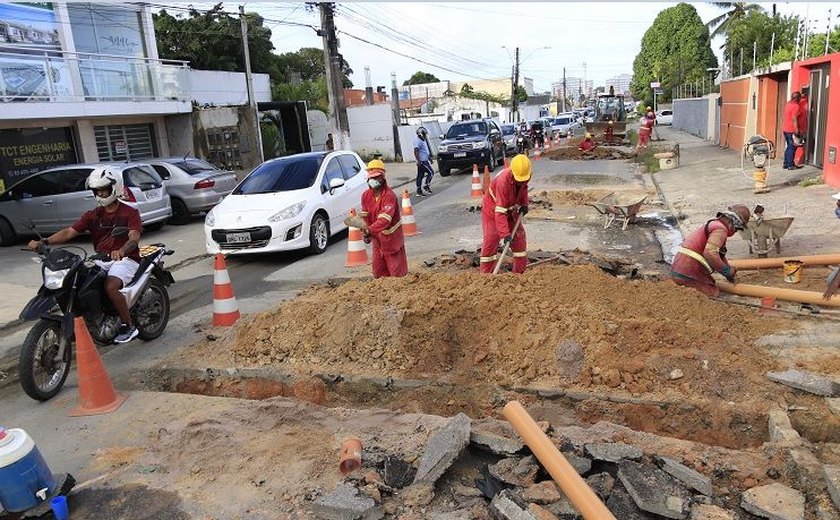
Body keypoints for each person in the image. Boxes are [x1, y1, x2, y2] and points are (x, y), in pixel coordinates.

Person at [27, 167, 143, 343]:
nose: (101, 193)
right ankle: (94, 316)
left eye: (104, 189)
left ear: (115, 188)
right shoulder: (93, 215)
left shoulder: (130, 212)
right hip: (101, 258)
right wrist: (45, 242)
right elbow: (69, 232)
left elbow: (134, 237)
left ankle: (129, 326)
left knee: (111, 286)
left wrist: (122, 250)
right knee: (80, 281)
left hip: (126, 259)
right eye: (97, 190)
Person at [670, 204, 750, 297]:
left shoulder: (715, 225)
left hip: (680, 268)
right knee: (712, 294)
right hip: (689, 272)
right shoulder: (721, 229)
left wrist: (729, 272)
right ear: (732, 222)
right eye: (737, 228)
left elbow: (720, 255)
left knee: (710, 284)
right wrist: (727, 271)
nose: (736, 231)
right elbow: (710, 254)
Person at [480, 154, 531, 274]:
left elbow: (523, 188)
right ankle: (485, 276)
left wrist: (524, 204)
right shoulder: (503, 181)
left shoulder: (524, 175)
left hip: (510, 210)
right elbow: (499, 212)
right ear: (513, 172)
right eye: (519, 179)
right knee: (491, 240)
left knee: (519, 238)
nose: (522, 181)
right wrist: (505, 234)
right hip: (492, 211)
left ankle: (518, 273)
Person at [360, 159, 407, 278]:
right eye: (371, 178)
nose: (373, 181)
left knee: (397, 273)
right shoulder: (366, 196)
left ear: (382, 178)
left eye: (376, 178)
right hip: (378, 241)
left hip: (392, 240)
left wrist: (370, 230)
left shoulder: (389, 196)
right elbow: (366, 217)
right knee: (379, 273)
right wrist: (366, 233)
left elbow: (385, 220)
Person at [782, 92, 803, 170]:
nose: (800, 100)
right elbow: (794, 118)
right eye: (799, 98)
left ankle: (786, 163)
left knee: (789, 147)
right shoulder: (796, 106)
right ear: (797, 99)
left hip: (785, 129)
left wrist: (802, 97)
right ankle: (791, 165)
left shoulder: (788, 104)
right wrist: (797, 130)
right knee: (792, 147)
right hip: (791, 130)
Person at [413, 126, 434, 196]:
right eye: (424, 134)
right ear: (421, 134)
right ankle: (426, 186)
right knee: (431, 173)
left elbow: (425, 151)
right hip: (422, 161)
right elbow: (416, 151)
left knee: (420, 175)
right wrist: (418, 161)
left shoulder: (423, 140)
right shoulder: (417, 141)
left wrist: (429, 158)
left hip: (425, 160)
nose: (425, 136)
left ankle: (419, 191)